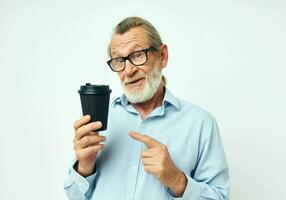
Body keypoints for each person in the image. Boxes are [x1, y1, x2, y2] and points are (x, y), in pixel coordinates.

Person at [64, 16, 230, 200]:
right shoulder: (100, 120)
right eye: (119, 60)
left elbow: (219, 197)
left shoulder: (201, 123)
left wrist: (177, 180)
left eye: (137, 55)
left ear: (162, 56)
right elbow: (75, 196)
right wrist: (85, 167)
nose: (128, 71)